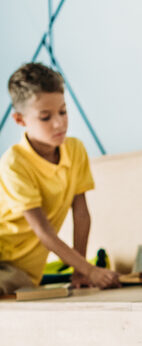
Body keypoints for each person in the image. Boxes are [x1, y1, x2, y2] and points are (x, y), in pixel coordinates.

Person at [0, 62, 120, 295]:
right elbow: (43, 231)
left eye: (63, 112)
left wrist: (82, 270)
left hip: (21, 272)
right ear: (20, 120)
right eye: (45, 117)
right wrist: (91, 270)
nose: (59, 123)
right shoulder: (14, 162)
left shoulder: (74, 150)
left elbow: (81, 213)